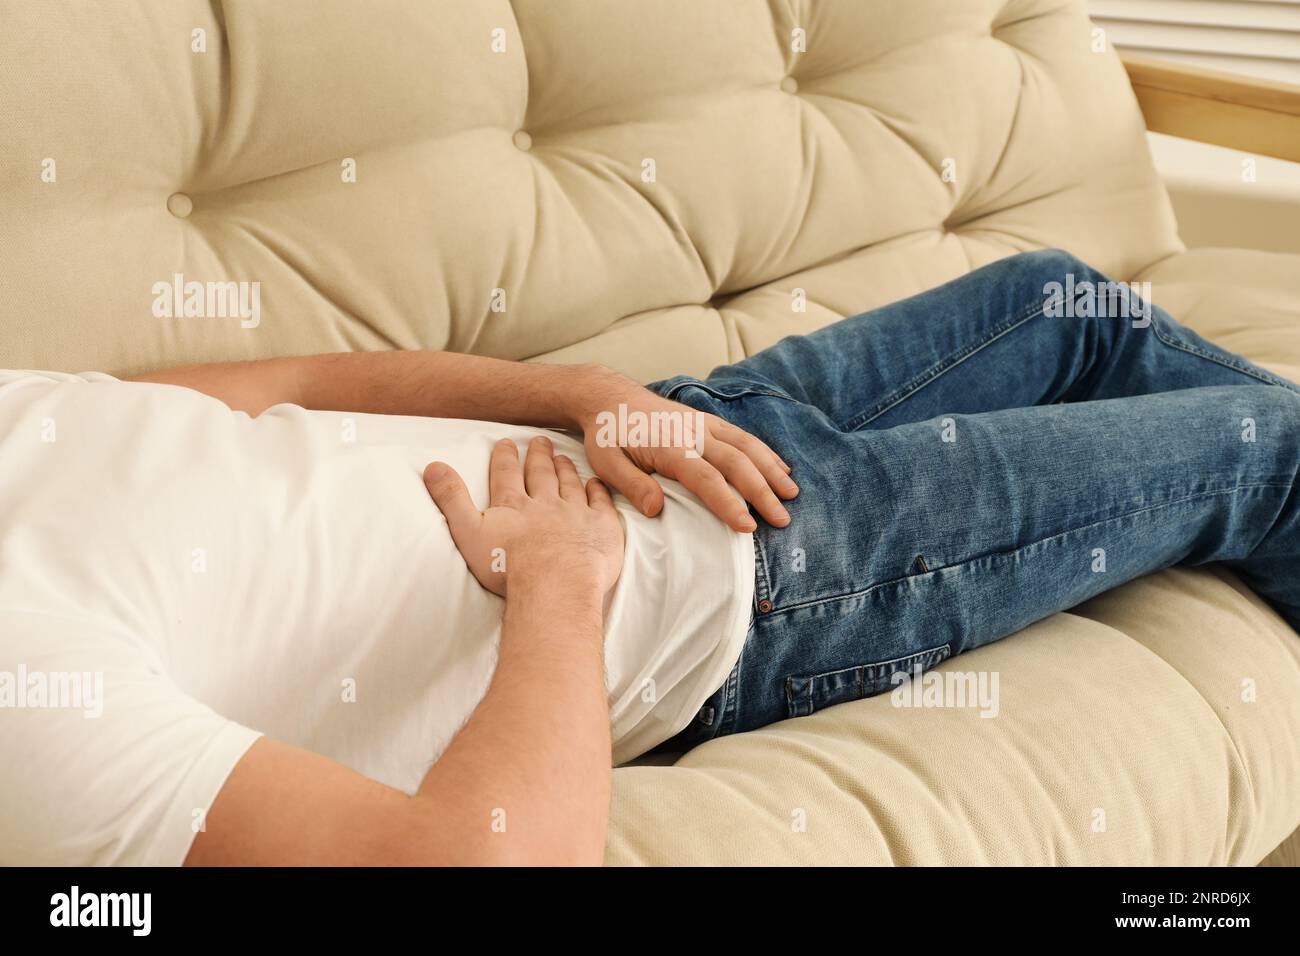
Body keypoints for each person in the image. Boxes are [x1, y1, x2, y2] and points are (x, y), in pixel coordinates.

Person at [2, 249, 1297, 866]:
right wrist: (563, 588)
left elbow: (285, 378)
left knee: (1063, 303)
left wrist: (581, 391)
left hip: (674, 422)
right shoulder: (27, 708)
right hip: (754, 576)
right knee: (1274, 450)